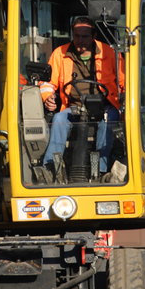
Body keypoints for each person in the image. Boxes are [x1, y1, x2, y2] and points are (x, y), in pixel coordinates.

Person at [41, 16, 121, 175]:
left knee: (109, 119)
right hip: (74, 107)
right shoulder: (59, 54)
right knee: (58, 119)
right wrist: (47, 96)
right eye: (76, 36)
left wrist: (124, 98)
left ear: (94, 36)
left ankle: (100, 169)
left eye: (84, 36)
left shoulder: (110, 53)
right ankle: (50, 168)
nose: (80, 40)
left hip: (104, 107)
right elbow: (47, 82)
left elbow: (124, 82)